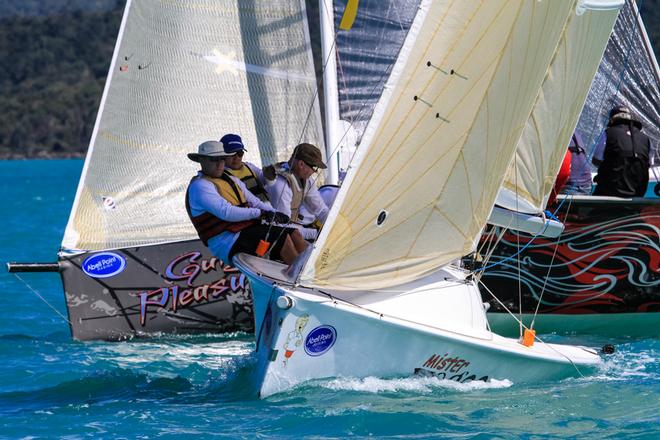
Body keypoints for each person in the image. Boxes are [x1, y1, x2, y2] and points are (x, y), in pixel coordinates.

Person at [185, 140, 308, 265]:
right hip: (228, 243)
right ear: (201, 160)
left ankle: (313, 272)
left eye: (222, 159)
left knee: (294, 233)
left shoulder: (231, 179)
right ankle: (301, 278)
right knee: (282, 239)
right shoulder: (199, 186)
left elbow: (255, 201)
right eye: (214, 160)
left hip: (246, 232)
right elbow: (226, 212)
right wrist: (261, 214)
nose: (219, 164)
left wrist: (274, 213)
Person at [263, 143, 330, 239]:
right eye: (314, 168)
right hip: (273, 233)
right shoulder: (281, 185)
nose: (314, 172)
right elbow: (282, 227)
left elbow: (321, 210)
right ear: (301, 164)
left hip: (292, 228)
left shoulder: (307, 181)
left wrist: (335, 224)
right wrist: (317, 234)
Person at [592, 105, 651, 197]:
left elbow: (596, 160)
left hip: (609, 192)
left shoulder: (607, 133)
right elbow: (648, 163)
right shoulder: (645, 138)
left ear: (612, 119)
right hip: (637, 193)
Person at [221, 133, 270, 203]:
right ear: (223, 155)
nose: (236, 158)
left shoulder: (249, 166)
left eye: (240, 153)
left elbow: (264, 179)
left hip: (266, 208)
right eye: (232, 154)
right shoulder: (222, 175)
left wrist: (269, 173)